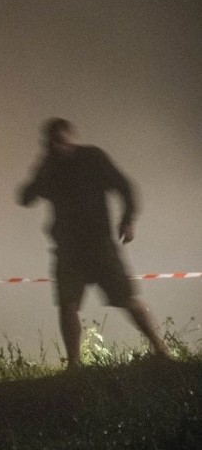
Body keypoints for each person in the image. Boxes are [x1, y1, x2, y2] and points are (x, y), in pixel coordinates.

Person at [18, 118, 170, 368]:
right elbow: (25, 197)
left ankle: (161, 350)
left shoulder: (92, 158)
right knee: (67, 303)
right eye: (52, 143)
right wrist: (42, 168)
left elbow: (124, 186)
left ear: (71, 138)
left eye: (62, 141)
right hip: (68, 248)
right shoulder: (49, 168)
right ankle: (74, 365)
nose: (58, 147)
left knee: (126, 298)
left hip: (99, 244)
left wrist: (128, 219)